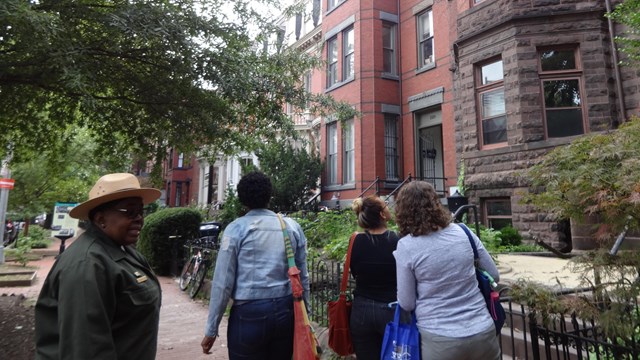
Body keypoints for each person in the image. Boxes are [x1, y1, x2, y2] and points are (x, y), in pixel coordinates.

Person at [35, 173, 162, 360]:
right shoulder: (87, 265)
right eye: (130, 212)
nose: (139, 219)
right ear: (100, 219)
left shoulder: (122, 251)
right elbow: (86, 349)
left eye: (141, 211)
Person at [201, 171, 310, 359]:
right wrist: (305, 315)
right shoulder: (291, 226)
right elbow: (303, 277)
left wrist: (212, 328)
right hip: (285, 310)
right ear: (269, 195)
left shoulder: (236, 229)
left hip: (249, 313)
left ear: (243, 199)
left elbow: (222, 283)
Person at [393, 181, 501, 360]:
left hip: (439, 339)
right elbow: (494, 275)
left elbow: (406, 303)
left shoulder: (406, 246)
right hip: (483, 331)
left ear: (403, 211)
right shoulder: (464, 232)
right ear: (436, 203)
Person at [349, 196, 400, 360]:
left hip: (361, 310)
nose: (388, 207)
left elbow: (354, 271)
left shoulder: (356, 241)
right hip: (391, 309)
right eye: (385, 205)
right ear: (382, 215)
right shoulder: (397, 240)